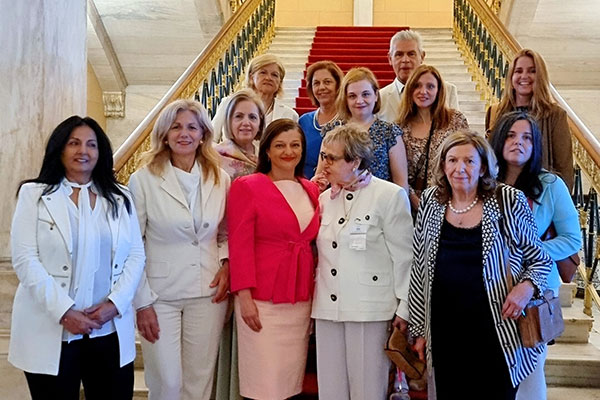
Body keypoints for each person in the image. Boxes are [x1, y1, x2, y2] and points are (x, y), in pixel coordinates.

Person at [9, 116, 145, 400]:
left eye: (91, 145)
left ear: (100, 152)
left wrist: (114, 304)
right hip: (51, 329)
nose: (83, 150)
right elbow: (25, 259)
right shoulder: (33, 195)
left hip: (108, 329)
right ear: (60, 149)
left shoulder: (120, 197)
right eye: (74, 143)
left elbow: (135, 255)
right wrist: (64, 311)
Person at [409, 131, 552, 399]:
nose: (459, 168)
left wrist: (526, 288)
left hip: (497, 330)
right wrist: (418, 329)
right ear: (443, 165)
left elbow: (540, 258)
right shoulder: (431, 200)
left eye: (469, 161)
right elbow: (419, 269)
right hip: (445, 330)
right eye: (452, 160)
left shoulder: (507, 200)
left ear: (483, 167)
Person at [129, 99, 230, 400]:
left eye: (191, 127)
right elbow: (133, 244)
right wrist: (141, 302)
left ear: (203, 134)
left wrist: (226, 263)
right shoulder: (143, 180)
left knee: (199, 381)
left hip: (208, 291)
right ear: (164, 134)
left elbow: (225, 233)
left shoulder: (220, 178)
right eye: (176, 127)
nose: (184, 134)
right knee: (168, 383)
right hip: (160, 295)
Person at [312, 124, 413, 399]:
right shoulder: (323, 199)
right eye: (323, 156)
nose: (324, 163)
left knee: (367, 390)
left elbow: (405, 257)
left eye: (332, 158)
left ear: (355, 162)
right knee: (330, 392)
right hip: (327, 307)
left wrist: (404, 308)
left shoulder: (389, 195)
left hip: (370, 309)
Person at [489, 111, 582, 400]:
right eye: (511, 135)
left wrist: (529, 251)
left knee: (530, 372)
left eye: (527, 137)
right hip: (490, 287)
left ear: (536, 145)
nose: (518, 142)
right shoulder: (484, 183)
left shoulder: (551, 185)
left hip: (535, 291)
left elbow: (572, 239)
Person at [227, 119, 320, 399]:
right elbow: (239, 245)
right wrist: (244, 297)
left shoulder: (311, 189)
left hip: (300, 298)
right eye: (280, 145)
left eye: (295, 145)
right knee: (263, 384)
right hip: (261, 300)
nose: (288, 152)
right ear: (266, 150)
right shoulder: (247, 186)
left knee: (289, 383)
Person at [485, 48, 574, 190]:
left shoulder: (555, 115)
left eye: (532, 71)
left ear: (541, 76)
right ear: (511, 76)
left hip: (539, 193)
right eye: (518, 71)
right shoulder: (495, 112)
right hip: (501, 192)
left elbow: (564, 166)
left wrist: (558, 197)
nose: (524, 76)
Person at [316, 67, 409, 192]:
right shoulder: (332, 130)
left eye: (365, 94)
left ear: (376, 95)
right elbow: (321, 176)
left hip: (380, 200)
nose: (359, 101)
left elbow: (401, 184)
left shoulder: (390, 132)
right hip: (339, 199)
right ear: (345, 99)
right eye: (352, 96)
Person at [397, 64, 469, 211]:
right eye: (417, 86)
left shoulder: (455, 120)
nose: (423, 91)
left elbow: (467, 158)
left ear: (439, 90)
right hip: (411, 205)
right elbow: (397, 172)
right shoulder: (399, 127)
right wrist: (416, 202)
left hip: (450, 201)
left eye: (430, 86)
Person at [212, 54, 298, 142]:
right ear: (251, 77)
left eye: (274, 75)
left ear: (280, 82)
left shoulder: (290, 115)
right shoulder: (228, 103)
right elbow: (210, 140)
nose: (268, 78)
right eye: (263, 72)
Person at [379, 30, 459, 123]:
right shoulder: (380, 99)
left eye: (411, 54)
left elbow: (457, 130)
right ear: (390, 59)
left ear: (422, 56)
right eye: (399, 54)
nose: (405, 60)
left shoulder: (448, 91)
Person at [298, 60, 344, 178]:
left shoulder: (348, 121)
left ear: (338, 85)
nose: (321, 87)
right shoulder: (303, 121)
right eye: (316, 83)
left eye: (327, 82)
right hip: (306, 183)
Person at [215, 89, 265, 180]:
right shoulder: (214, 157)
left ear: (260, 124)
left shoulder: (266, 157)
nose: (246, 123)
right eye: (238, 116)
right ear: (229, 121)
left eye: (252, 117)